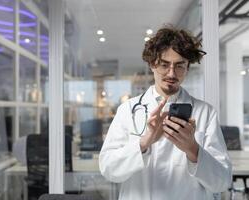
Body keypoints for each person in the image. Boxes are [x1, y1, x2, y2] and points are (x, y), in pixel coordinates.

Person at [99, 25, 232, 200]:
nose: (171, 73)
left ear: (187, 68)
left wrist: (192, 149)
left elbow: (222, 181)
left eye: (179, 66)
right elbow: (109, 170)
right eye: (164, 64)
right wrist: (144, 143)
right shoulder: (128, 110)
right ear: (152, 64)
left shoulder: (205, 113)